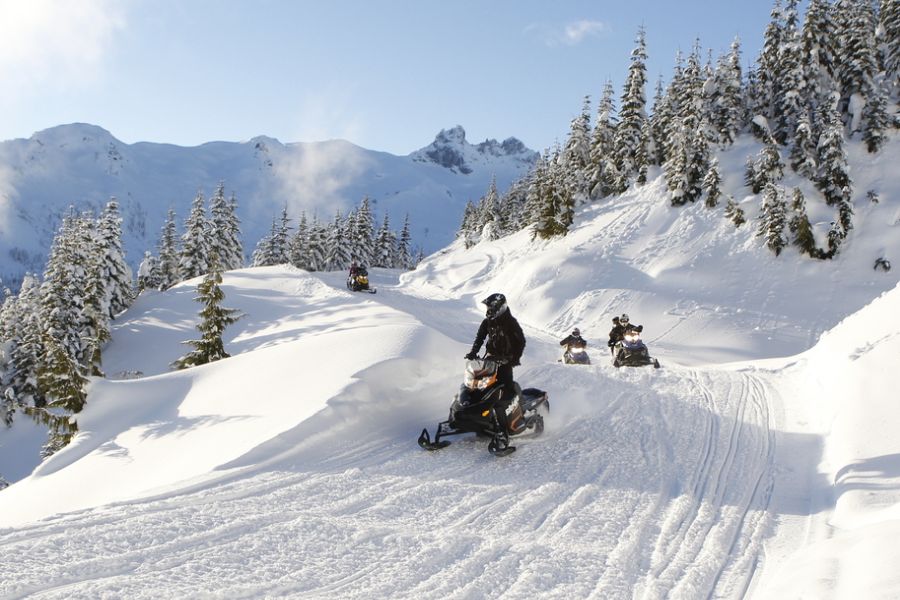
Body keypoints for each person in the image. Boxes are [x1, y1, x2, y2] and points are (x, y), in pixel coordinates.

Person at [465, 293, 526, 429]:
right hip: (490, 359)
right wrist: (473, 352)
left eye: (491, 307)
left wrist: (513, 358)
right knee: (479, 385)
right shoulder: (488, 322)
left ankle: (512, 421)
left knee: (506, 389)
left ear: (499, 307)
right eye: (488, 307)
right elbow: (480, 338)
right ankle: (475, 416)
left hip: (505, 360)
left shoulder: (511, 323)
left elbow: (520, 342)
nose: (488, 310)